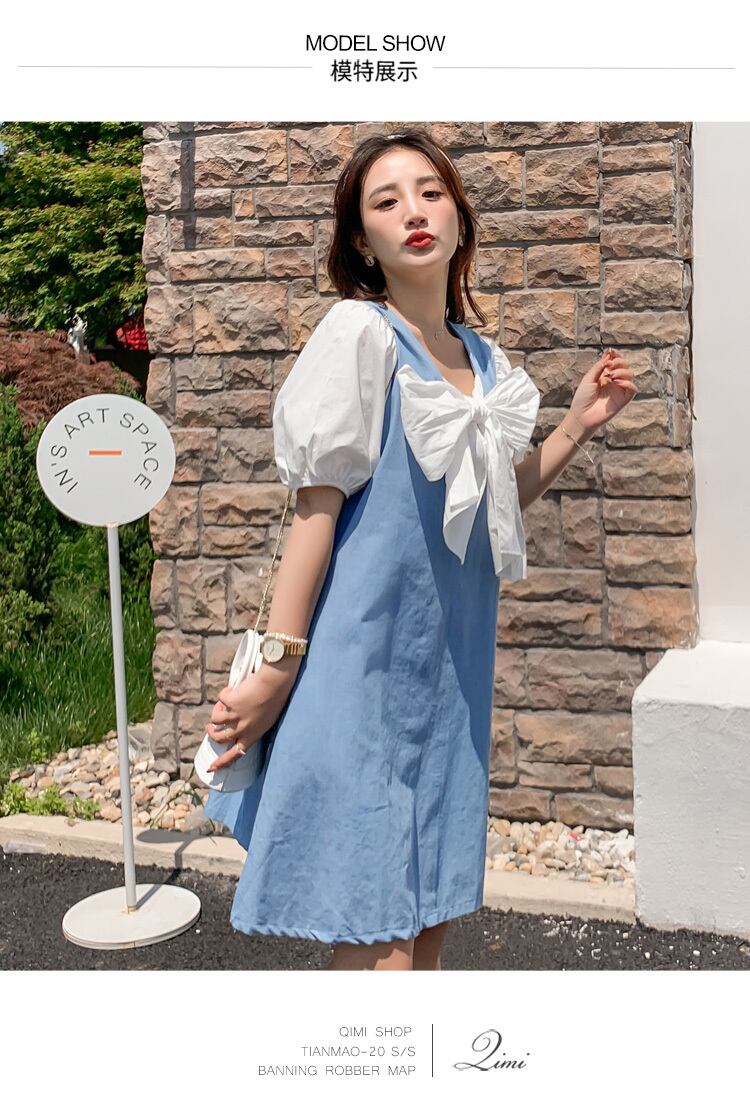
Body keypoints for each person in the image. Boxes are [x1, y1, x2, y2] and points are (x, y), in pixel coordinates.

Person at [202, 128, 637, 971]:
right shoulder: (359, 335)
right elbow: (315, 510)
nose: (414, 211)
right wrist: (279, 667)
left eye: (431, 192)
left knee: (430, 920)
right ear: (362, 241)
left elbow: (493, 503)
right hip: (360, 669)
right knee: (381, 944)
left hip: (451, 677)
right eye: (387, 200)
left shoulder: (484, 359)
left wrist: (577, 425)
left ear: (460, 219)